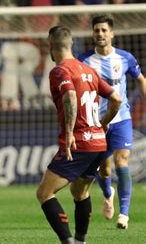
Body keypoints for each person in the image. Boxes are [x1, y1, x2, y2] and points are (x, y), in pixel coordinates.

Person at [36, 26, 121, 244]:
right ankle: (80, 241)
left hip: (79, 142)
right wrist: (102, 124)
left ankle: (68, 241)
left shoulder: (60, 71)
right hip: (99, 144)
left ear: (50, 47)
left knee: (45, 193)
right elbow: (116, 99)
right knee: (80, 192)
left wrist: (70, 132)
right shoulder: (88, 70)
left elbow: (71, 97)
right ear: (71, 44)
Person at [78, 15, 146, 229]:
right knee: (104, 170)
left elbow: (141, 79)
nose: (100, 34)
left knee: (122, 161)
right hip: (97, 122)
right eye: (96, 30)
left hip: (121, 119)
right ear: (93, 33)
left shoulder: (125, 58)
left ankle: (124, 214)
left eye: (104, 30)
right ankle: (109, 193)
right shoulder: (84, 60)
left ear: (112, 34)